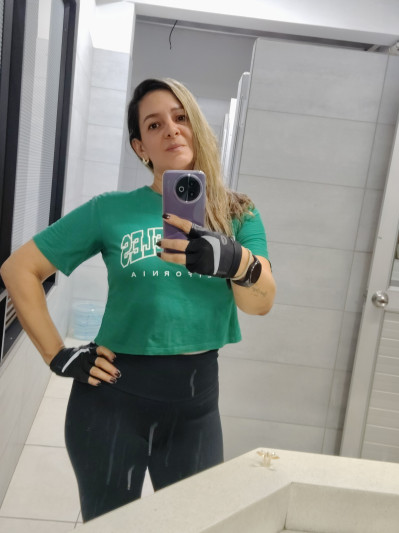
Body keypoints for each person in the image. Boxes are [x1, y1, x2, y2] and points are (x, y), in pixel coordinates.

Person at [0, 78, 276, 521]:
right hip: (111, 402)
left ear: (196, 125)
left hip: (195, 407)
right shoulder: (110, 209)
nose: (171, 129)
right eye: (154, 124)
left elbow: (259, 303)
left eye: (180, 117)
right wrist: (57, 355)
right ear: (140, 147)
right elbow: (19, 269)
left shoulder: (236, 212)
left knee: (196, 523)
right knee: (111, 526)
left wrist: (236, 261)